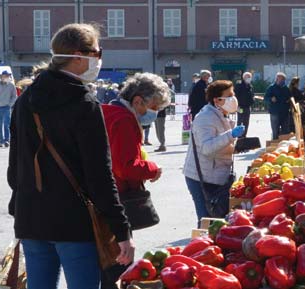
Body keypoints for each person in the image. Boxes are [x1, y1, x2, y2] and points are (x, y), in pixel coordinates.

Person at [7, 23, 134, 289]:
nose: (99, 60)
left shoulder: (25, 99)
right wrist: (122, 230)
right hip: (72, 220)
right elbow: (99, 174)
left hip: (31, 215)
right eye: (97, 53)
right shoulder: (83, 103)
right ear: (79, 56)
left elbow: (14, 166)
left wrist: (20, 205)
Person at [100, 73, 169, 288]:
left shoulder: (107, 111)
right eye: (154, 107)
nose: (155, 113)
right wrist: (152, 169)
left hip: (99, 195)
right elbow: (125, 167)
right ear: (138, 101)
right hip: (117, 196)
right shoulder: (124, 120)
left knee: (104, 263)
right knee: (119, 262)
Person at [183, 80, 243, 226]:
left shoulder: (221, 114)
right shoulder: (205, 117)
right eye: (229, 95)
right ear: (217, 100)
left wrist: (236, 147)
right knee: (207, 221)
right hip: (201, 177)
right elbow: (207, 148)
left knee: (217, 220)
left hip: (216, 175)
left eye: (233, 94)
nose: (233, 99)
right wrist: (231, 135)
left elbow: (219, 145)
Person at [265, 72, 291, 140]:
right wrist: (271, 99)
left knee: (285, 131)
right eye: (281, 79)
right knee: (275, 131)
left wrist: (289, 100)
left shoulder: (286, 88)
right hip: (275, 112)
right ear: (277, 79)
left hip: (285, 113)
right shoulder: (271, 88)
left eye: (284, 80)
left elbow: (290, 97)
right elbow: (265, 98)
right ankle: (275, 145)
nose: (282, 81)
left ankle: (284, 145)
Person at [235, 72, 254, 138]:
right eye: (247, 77)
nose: (248, 78)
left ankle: (244, 135)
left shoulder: (250, 86)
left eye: (249, 77)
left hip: (247, 107)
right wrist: (237, 105)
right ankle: (239, 136)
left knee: (246, 122)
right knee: (240, 121)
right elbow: (236, 95)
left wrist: (252, 101)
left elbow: (251, 95)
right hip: (240, 107)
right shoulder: (239, 85)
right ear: (243, 77)